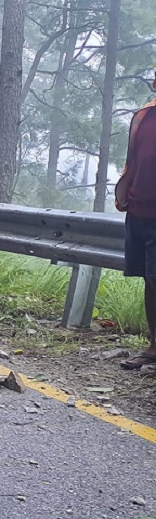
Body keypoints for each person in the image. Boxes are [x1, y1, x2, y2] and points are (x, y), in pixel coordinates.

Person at [115, 69, 156, 369]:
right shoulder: (144, 116)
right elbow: (134, 158)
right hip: (138, 211)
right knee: (148, 279)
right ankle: (154, 348)